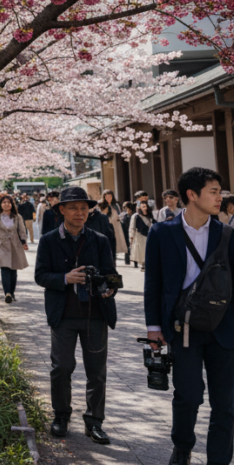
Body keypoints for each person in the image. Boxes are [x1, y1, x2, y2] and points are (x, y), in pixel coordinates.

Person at [144, 168, 234, 465]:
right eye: (213, 191)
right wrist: (154, 326)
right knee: (188, 396)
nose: (220, 197)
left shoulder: (227, 234)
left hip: (224, 328)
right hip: (183, 328)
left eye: (220, 191)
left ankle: (219, 460)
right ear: (191, 195)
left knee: (226, 403)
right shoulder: (162, 232)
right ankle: (182, 447)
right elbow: (153, 282)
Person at [33, 187, 118, 445]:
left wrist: (109, 288)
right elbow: (40, 275)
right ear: (62, 210)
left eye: (84, 208)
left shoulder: (100, 239)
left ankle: (94, 422)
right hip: (64, 315)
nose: (80, 213)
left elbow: (112, 274)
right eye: (73, 208)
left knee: (97, 372)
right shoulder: (49, 240)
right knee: (61, 367)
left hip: (95, 315)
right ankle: (61, 416)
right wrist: (64, 278)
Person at [0, 194, 29, 303]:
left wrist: (24, 242)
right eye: (4, 202)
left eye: (8, 202)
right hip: (1, 246)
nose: (6, 204)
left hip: (14, 245)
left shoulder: (17, 217)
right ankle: (7, 293)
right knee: (5, 268)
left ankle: (12, 292)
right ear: (0, 204)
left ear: (12, 204)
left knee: (13, 270)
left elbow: (22, 231)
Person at [99, 190, 127, 259]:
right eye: (107, 196)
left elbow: (119, 215)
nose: (108, 198)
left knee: (115, 244)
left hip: (115, 226)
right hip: (106, 226)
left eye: (110, 196)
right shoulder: (101, 205)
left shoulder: (115, 205)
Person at [129, 200, 153, 271]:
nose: (144, 208)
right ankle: (143, 264)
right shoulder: (135, 216)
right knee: (142, 251)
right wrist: (131, 236)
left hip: (149, 235)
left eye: (145, 206)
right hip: (139, 236)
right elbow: (132, 227)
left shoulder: (150, 215)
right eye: (143, 206)